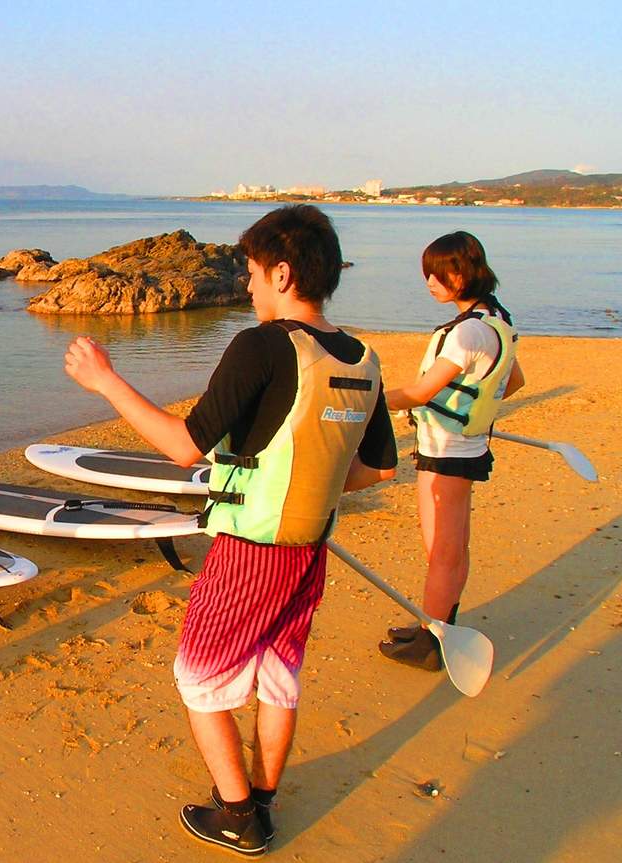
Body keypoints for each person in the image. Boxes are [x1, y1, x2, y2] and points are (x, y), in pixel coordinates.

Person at [64, 205, 396, 857]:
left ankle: (239, 814)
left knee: (199, 679)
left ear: (281, 271)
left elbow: (184, 446)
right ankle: (263, 794)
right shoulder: (362, 355)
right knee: (276, 675)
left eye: (248, 272)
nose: (245, 286)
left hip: (250, 552)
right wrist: (309, 481)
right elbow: (376, 470)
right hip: (307, 551)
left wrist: (106, 382)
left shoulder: (262, 346)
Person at [378, 231, 524, 670]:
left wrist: (366, 398)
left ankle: (431, 640)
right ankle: (438, 624)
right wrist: (475, 412)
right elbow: (513, 381)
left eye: (437, 274)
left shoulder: (467, 334)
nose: (429, 282)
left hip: (446, 454)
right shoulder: (498, 320)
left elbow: (422, 392)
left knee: (442, 551)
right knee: (452, 546)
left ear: (461, 274)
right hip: (466, 449)